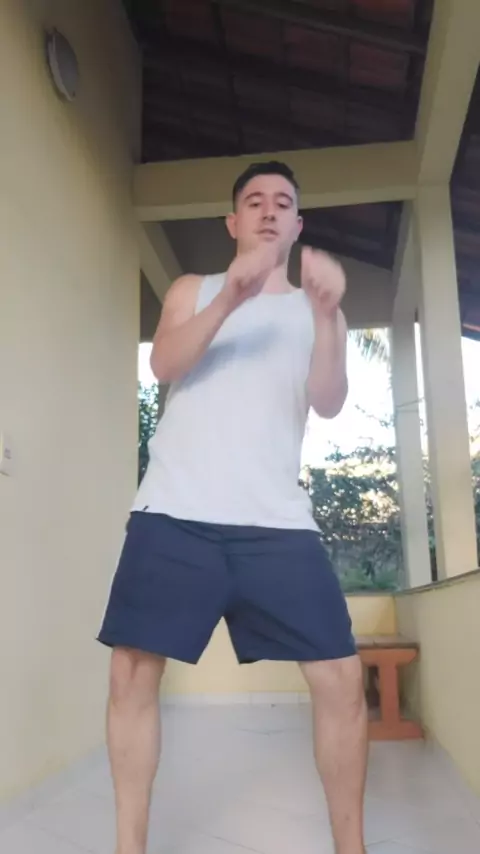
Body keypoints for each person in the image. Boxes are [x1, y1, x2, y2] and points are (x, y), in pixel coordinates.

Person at [97, 160, 368, 854]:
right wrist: (230, 300)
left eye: (282, 202)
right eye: (254, 201)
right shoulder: (194, 289)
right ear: (233, 221)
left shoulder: (319, 313)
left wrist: (328, 314)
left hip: (275, 524)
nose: (269, 210)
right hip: (174, 511)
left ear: (299, 225)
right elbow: (164, 365)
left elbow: (329, 401)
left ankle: (352, 847)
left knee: (340, 677)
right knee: (131, 673)